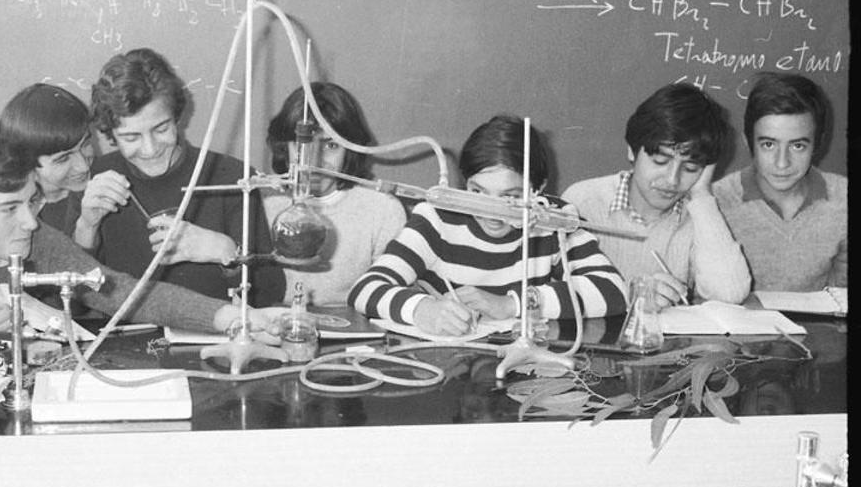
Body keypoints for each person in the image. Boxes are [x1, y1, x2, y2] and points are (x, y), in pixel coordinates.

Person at [0, 132, 285, 353]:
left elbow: (115, 289)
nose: (31, 221)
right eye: (9, 209)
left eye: (32, 201)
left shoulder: (30, 239)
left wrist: (232, 316)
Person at [349, 115, 628, 336]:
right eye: (478, 193)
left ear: (538, 190)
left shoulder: (553, 220)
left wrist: (512, 304)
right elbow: (365, 289)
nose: (492, 214)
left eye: (511, 197)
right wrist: (422, 309)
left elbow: (614, 291)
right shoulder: (437, 218)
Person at [73, 47, 285, 306]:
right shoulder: (95, 181)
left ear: (177, 118)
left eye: (161, 129)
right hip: (123, 340)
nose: (150, 150)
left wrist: (225, 252)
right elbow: (71, 306)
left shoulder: (232, 178)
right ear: (110, 134)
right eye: (131, 137)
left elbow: (270, 294)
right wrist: (86, 227)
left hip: (211, 342)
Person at [562, 83, 750, 307]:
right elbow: (553, 289)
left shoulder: (700, 218)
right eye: (660, 161)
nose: (672, 180)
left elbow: (731, 294)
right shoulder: (583, 202)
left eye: (690, 168)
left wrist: (700, 195)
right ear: (632, 150)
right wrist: (630, 293)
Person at [262, 82, 406, 306]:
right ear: (284, 147)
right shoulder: (265, 205)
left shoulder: (383, 209)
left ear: (351, 149)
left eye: (330, 146)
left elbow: (391, 293)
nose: (315, 161)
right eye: (303, 146)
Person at [712, 72, 847, 291]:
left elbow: (842, 300)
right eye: (768, 144)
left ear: (818, 145)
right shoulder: (715, 203)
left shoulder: (844, 200)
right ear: (748, 142)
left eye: (798, 146)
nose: (782, 163)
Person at [0, 82, 94, 235]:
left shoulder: (107, 188)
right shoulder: (13, 221)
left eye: (86, 144)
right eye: (62, 159)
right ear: (27, 163)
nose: (83, 166)